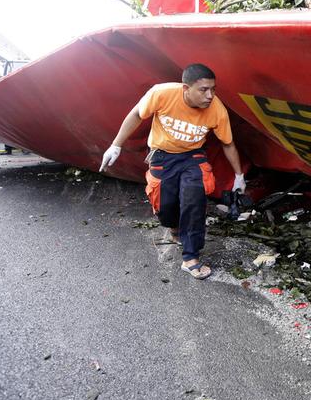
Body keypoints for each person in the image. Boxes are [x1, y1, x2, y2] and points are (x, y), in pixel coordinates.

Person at [100, 64, 246, 280]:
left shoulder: (217, 109)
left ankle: (191, 257)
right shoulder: (162, 94)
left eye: (213, 89)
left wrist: (239, 176)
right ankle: (173, 226)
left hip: (192, 156)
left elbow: (228, 144)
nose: (210, 95)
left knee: (194, 200)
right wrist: (116, 145)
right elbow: (136, 114)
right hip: (162, 154)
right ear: (186, 88)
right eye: (203, 90)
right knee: (165, 205)